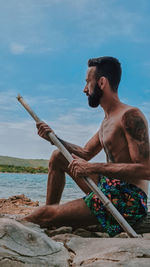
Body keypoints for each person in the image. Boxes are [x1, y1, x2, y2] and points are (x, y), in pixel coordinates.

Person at [24, 56, 150, 236]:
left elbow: (147, 170)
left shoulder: (130, 116)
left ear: (101, 82)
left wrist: (92, 167)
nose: (85, 89)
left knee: (40, 215)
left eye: (87, 83)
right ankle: (51, 218)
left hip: (128, 200)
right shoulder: (107, 121)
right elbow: (85, 153)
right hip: (109, 187)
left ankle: (47, 217)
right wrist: (53, 137)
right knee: (57, 156)